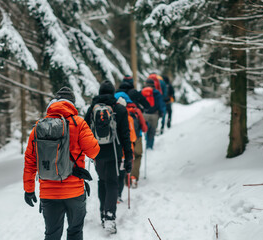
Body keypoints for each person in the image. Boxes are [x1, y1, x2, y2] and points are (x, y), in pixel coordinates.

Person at [23, 87, 100, 240]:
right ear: (72, 103)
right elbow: (93, 151)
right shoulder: (79, 123)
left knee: (52, 234)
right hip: (75, 191)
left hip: (48, 193)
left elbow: (30, 161)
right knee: (75, 231)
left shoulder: (39, 126)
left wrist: (29, 190)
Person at [84, 80, 133, 234]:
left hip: (97, 153)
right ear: (113, 93)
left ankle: (102, 214)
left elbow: (84, 131)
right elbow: (126, 135)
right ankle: (109, 217)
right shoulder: (119, 109)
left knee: (102, 181)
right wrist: (129, 157)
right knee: (112, 183)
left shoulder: (92, 109)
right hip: (114, 153)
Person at [141, 79, 165, 149]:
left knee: (146, 129)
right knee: (152, 131)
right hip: (155, 115)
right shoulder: (157, 93)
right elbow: (161, 104)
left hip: (145, 114)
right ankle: (150, 146)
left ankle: (146, 142)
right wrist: (161, 113)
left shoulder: (142, 92)